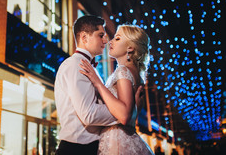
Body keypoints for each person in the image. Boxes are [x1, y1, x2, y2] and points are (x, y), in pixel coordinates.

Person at [80, 24, 155, 154]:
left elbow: (124, 116)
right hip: (125, 138)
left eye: (117, 38)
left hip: (116, 142)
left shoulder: (123, 71)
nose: (111, 41)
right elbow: (131, 116)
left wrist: (98, 83)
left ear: (130, 48)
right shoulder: (136, 75)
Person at [54, 15, 118, 155]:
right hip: (77, 149)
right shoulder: (77, 65)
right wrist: (122, 111)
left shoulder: (86, 66)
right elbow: (88, 114)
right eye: (100, 35)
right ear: (84, 37)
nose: (105, 41)